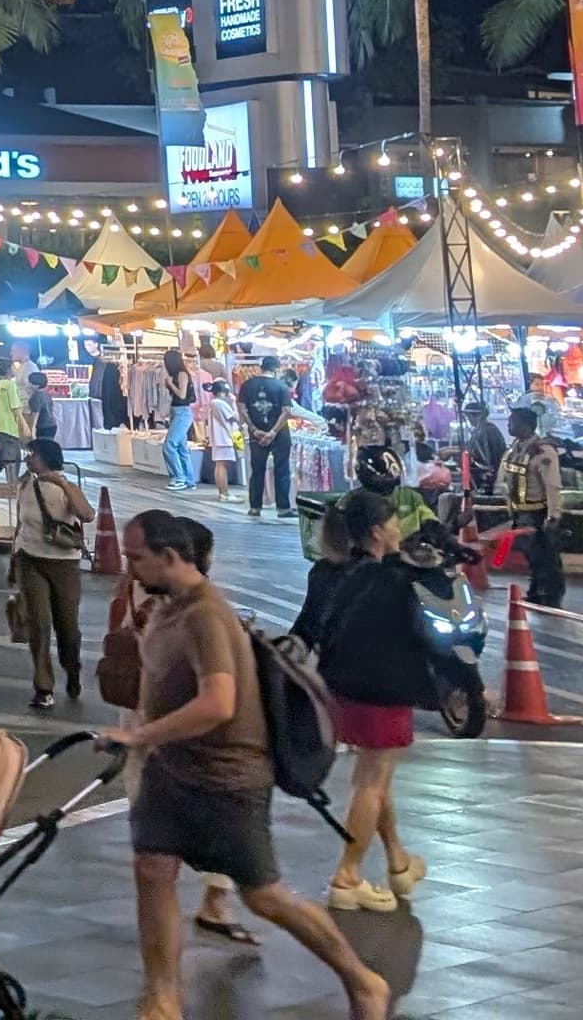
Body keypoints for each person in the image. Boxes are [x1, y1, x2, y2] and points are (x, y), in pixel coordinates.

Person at [107, 510, 390, 1020]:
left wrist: (141, 734)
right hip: (172, 772)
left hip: (228, 779)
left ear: (171, 557)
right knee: (152, 870)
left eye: (137, 557)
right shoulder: (166, 608)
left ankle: (363, 980)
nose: (129, 568)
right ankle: (163, 997)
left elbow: (219, 702)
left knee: (264, 895)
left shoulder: (207, 615)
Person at [298, 489, 438, 914]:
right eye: (395, 521)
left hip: (340, 687)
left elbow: (304, 628)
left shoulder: (326, 570)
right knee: (371, 782)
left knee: (375, 778)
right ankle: (348, 875)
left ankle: (397, 859)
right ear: (378, 530)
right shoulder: (386, 577)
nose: (400, 528)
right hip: (383, 688)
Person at [10, 436, 92, 710]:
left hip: (64, 563)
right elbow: (20, 524)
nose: (27, 457)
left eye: (31, 453)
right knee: (39, 624)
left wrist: (63, 484)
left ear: (45, 457)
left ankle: (72, 669)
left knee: (67, 627)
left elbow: (87, 514)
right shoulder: (24, 483)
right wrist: (13, 560)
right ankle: (43, 687)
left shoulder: (65, 486)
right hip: (29, 560)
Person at [508, 407, 566, 606]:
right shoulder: (515, 448)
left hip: (538, 513)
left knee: (546, 557)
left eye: (512, 421)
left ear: (525, 425)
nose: (509, 425)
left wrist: (553, 515)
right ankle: (536, 590)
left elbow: (552, 485)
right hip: (521, 513)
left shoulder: (543, 451)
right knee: (532, 556)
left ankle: (551, 595)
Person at [240, 362, 295, 515]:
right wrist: (273, 432)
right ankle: (283, 508)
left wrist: (254, 429)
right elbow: (286, 411)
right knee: (282, 469)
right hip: (280, 434)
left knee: (257, 470)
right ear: (276, 369)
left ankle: (255, 507)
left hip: (256, 434)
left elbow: (242, 409)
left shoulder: (247, 385)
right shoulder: (281, 386)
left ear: (260, 368)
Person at [0, 352, 27, 484]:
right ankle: (13, 489)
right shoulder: (9, 385)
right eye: (14, 366)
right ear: (9, 369)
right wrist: (25, 428)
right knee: (13, 460)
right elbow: (15, 408)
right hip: (9, 430)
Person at [162, 347, 200, 488]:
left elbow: (182, 395)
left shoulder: (182, 374)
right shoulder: (179, 374)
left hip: (182, 412)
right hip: (177, 411)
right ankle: (189, 479)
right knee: (181, 447)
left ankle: (179, 477)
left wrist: (170, 384)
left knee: (169, 445)